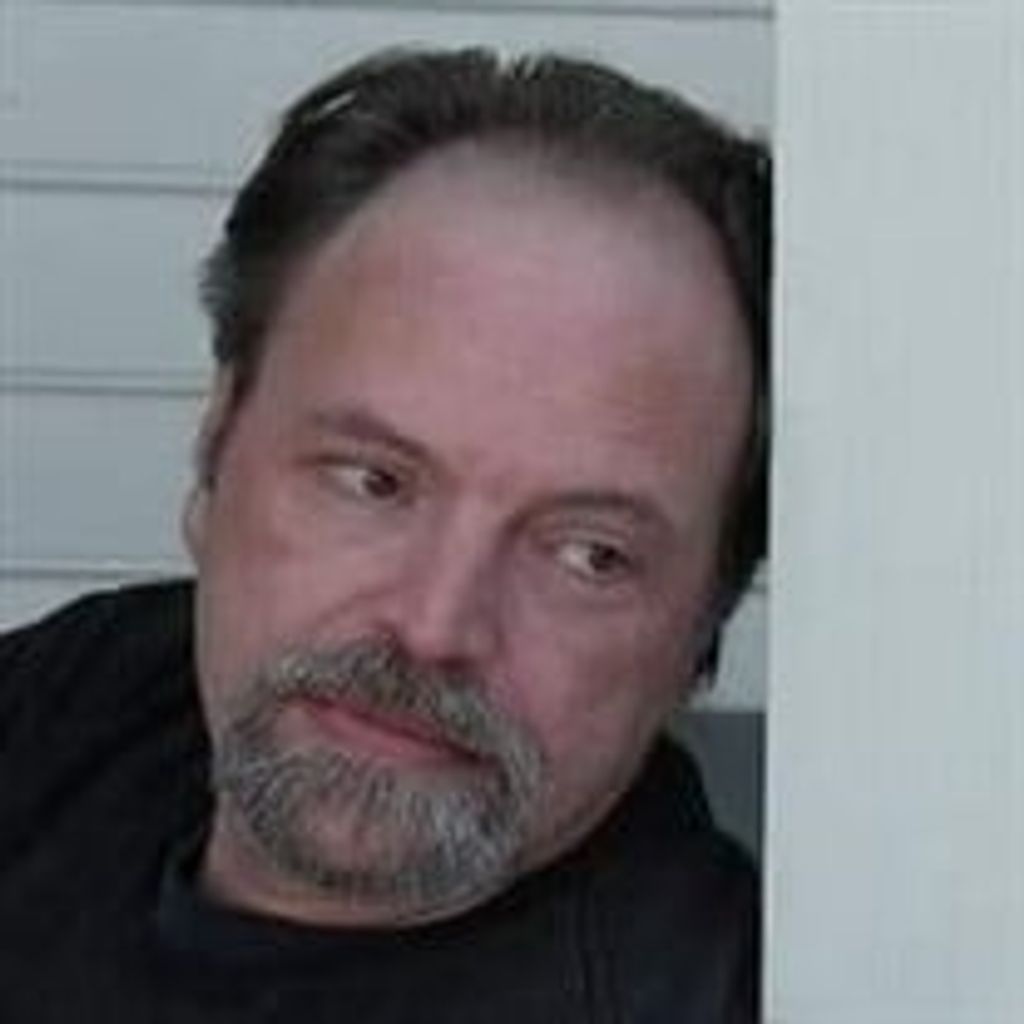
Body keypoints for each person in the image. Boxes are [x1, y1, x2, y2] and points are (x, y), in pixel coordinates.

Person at [0, 48, 769, 1023]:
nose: (434, 623)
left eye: (589, 554)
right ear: (219, 440)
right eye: (373, 482)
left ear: (704, 627)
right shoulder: (93, 694)